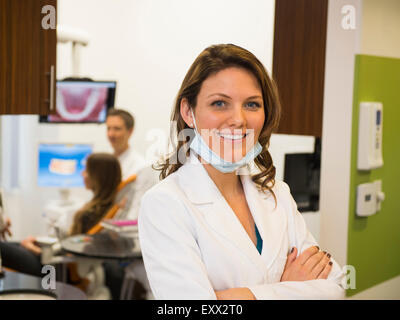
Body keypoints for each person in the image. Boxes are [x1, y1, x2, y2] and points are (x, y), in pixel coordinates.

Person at [138, 44, 346, 300]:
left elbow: (334, 286)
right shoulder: (165, 203)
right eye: (219, 103)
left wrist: (230, 296)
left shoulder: (277, 193)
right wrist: (290, 288)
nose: (238, 119)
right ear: (188, 112)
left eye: (251, 104)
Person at [0, 153, 122, 277]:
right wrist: (38, 242)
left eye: (86, 171)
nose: (82, 174)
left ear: (98, 177)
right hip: (54, 258)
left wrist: (34, 248)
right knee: (8, 246)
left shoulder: (92, 214)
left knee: (3, 249)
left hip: (54, 267)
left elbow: (71, 253)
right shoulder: (103, 208)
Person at [106, 108, 146, 180]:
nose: (110, 134)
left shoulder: (141, 166)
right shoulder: (104, 164)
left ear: (130, 131)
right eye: (108, 128)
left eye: (117, 128)